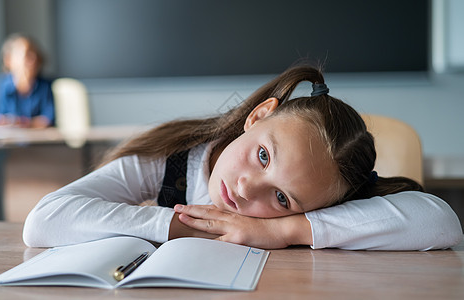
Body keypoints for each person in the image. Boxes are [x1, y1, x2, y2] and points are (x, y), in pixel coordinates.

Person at [23, 65, 463, 250]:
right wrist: (186, 227)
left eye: (283, 199)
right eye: (264, 156)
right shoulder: (172, 161)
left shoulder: (325, 201)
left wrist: (286, 231)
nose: (248, 189)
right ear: (258, 116)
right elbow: (43, 220)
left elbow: (439, 220)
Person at [0, 34, 55, 128]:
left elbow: (49, 119)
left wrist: (22, 123)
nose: (33, 60)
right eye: (27, 55)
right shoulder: (3, 84)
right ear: (9, 60)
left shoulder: (45, 86)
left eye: (35, 55)